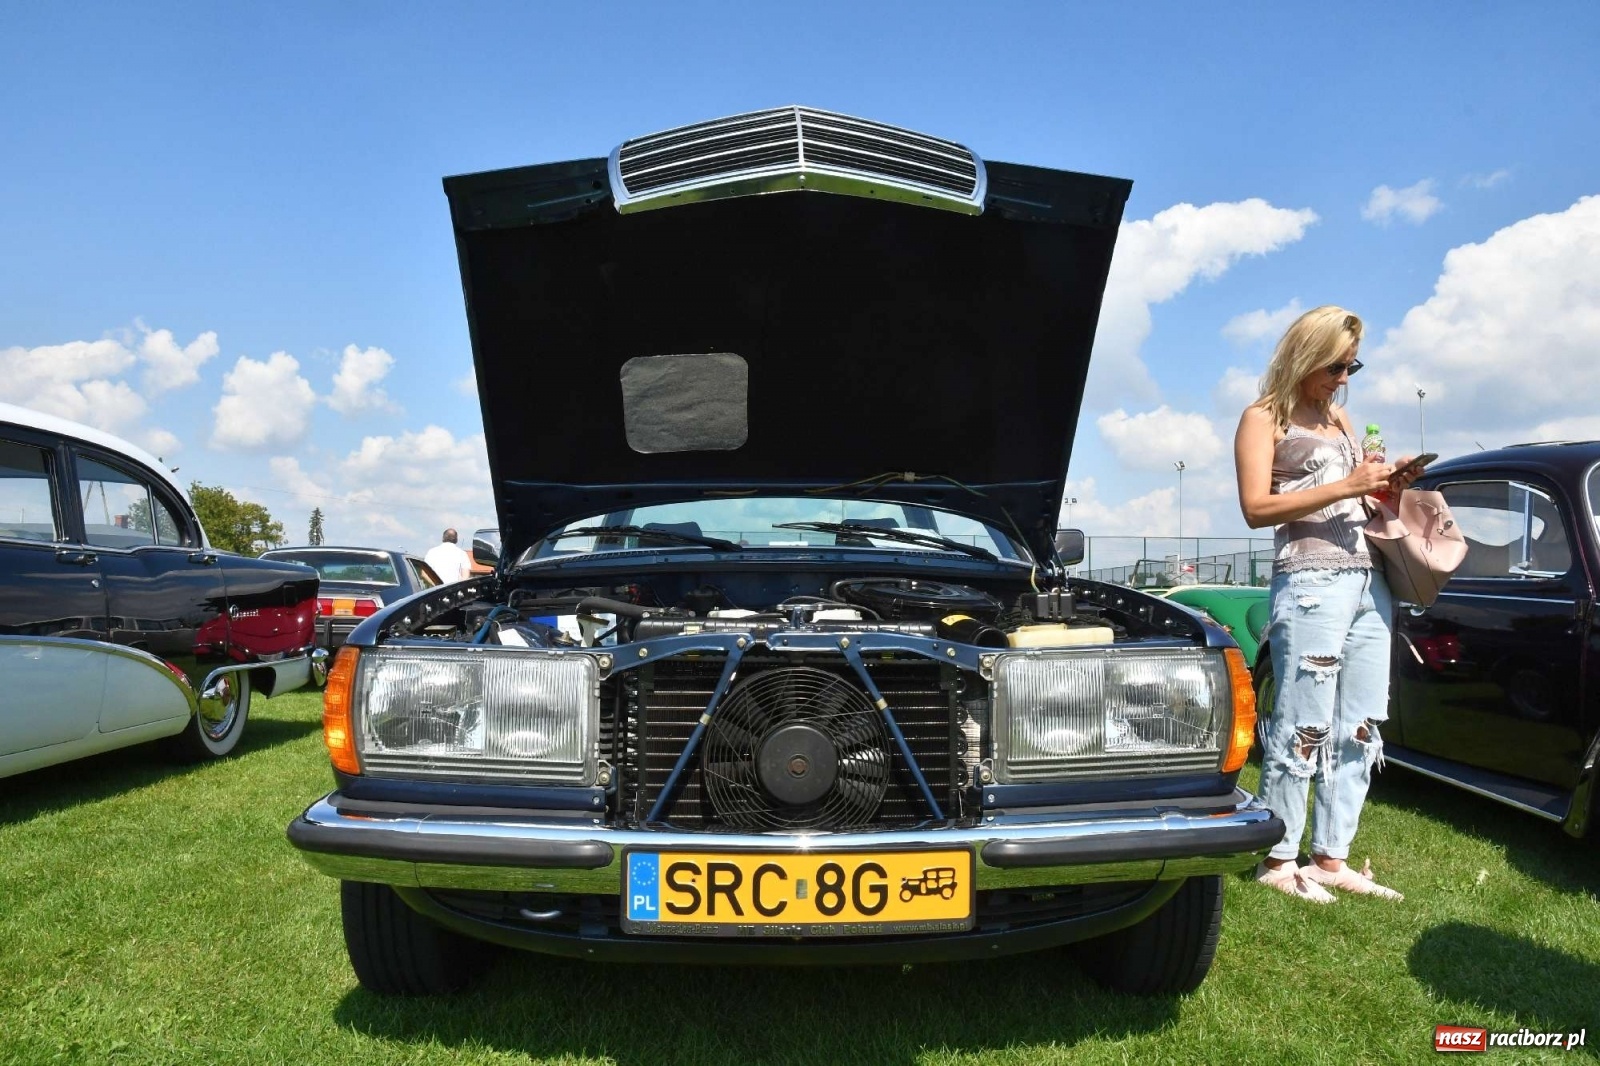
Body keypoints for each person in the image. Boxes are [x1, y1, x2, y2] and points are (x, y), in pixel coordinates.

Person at [1233, 305, 1420, 903]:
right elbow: (1256, 508)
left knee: (1360, 724)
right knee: (1302, 722)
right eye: (1335, 366)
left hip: (1369, 580)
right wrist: (1344, 485)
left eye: (1352, 366)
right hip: (1311, 580)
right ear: (1305, 356)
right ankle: (1277, 855)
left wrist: (1383, 486)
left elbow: (1353, 498)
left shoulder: (1340, 417)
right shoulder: (1263, 418)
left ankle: (1330, 857)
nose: (1343, 378)